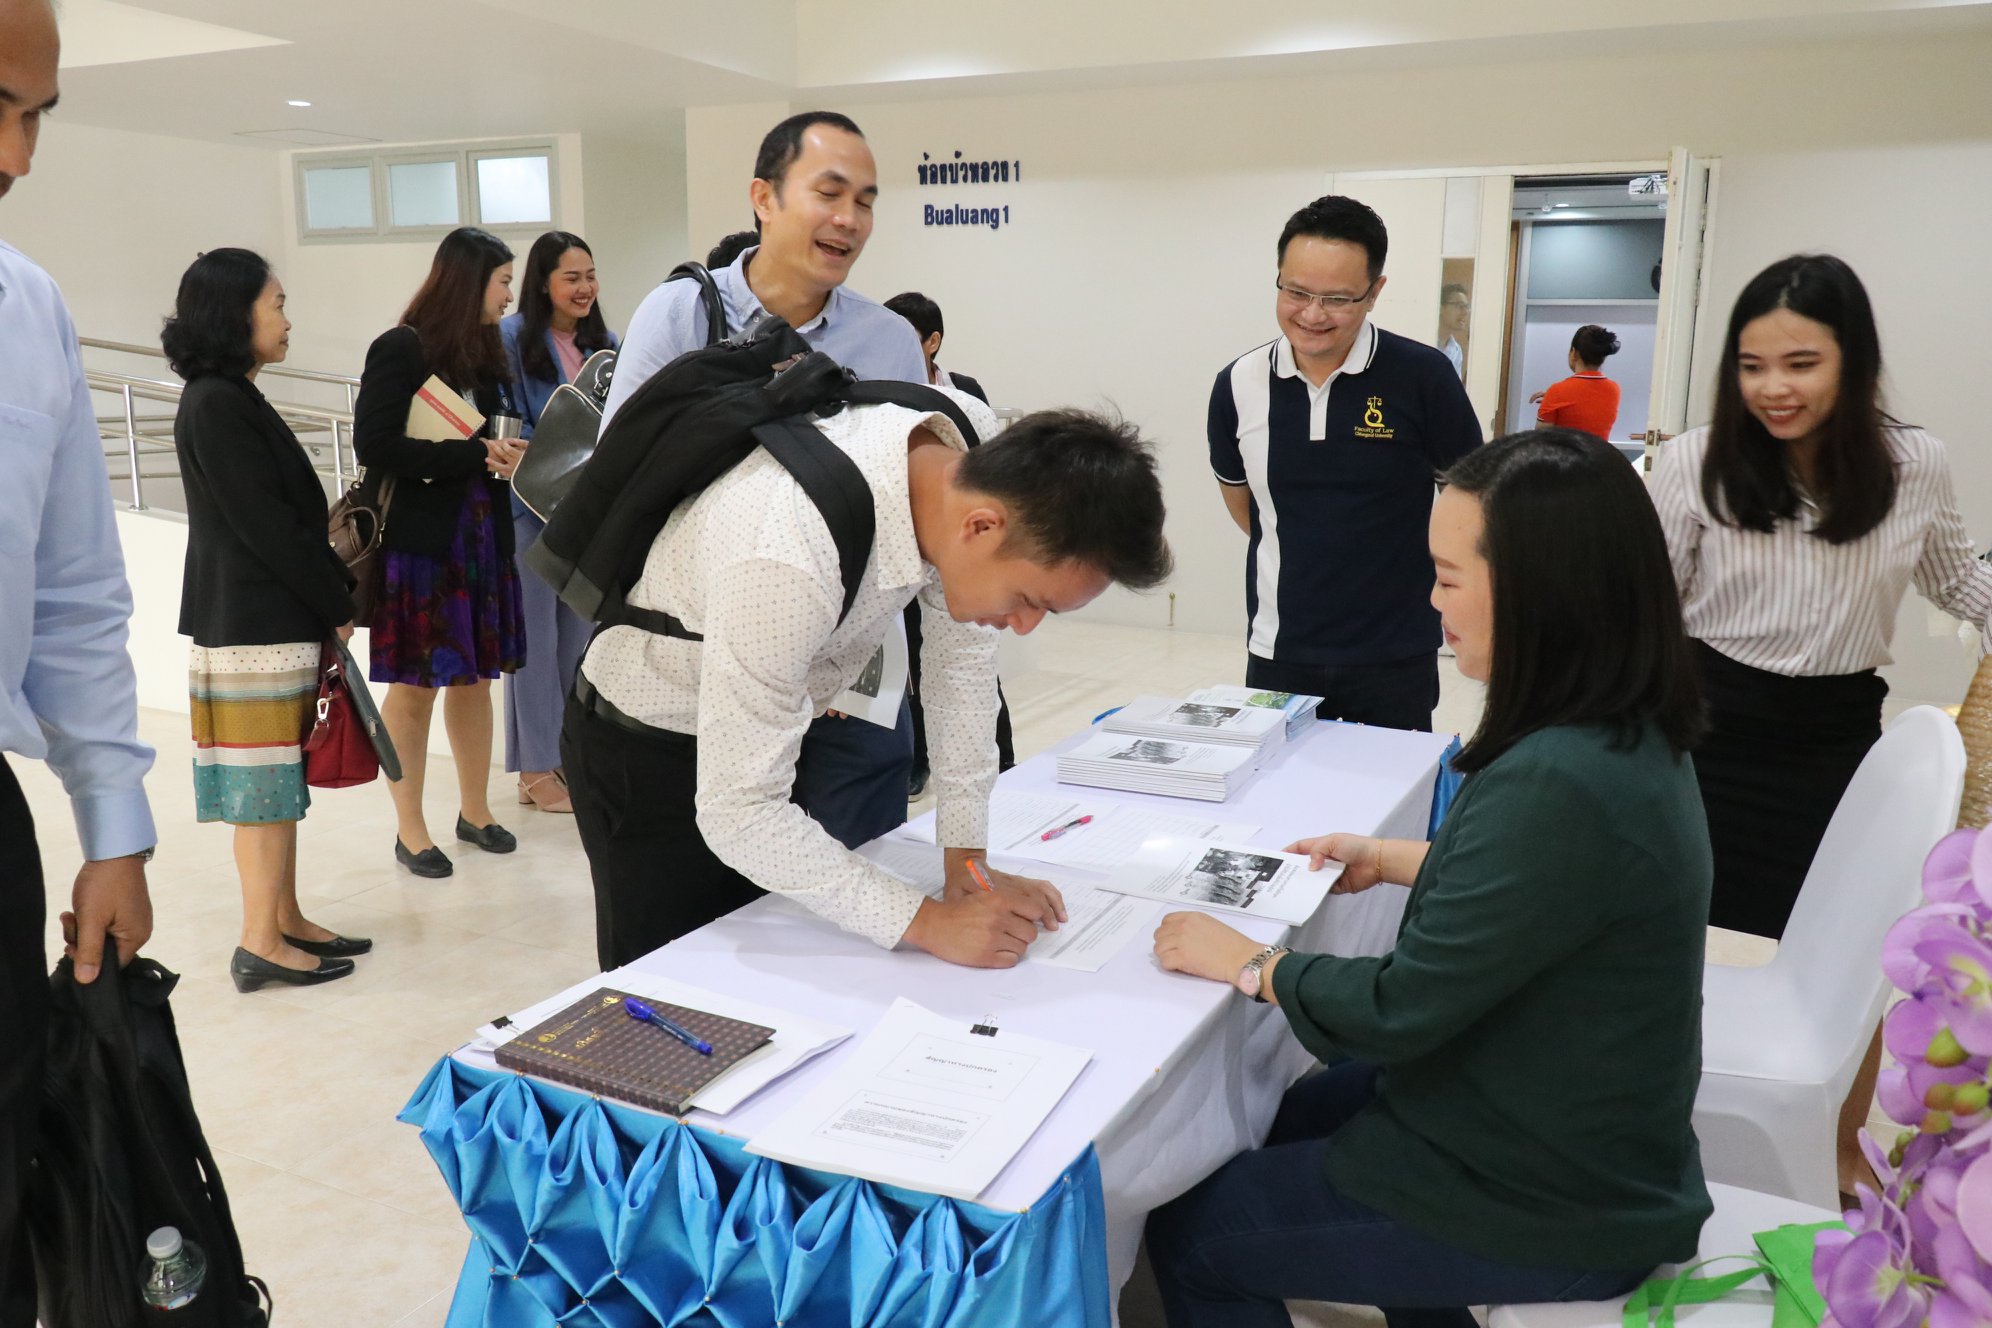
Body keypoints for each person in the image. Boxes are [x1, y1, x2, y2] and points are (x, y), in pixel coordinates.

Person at [1147, 428, 1712, 1328]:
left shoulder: (1559, 778)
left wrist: (1252, 964)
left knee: (1196, 1239)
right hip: (1558, 1116)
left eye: (1450, 578)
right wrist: (1396, 857)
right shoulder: (1620, 729)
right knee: (1293, 1119)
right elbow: (1553, 893)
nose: (1431, 600)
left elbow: (1399, 1011)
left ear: (1540, 593)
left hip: (1556, 1194)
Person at [564, 405, 1172, 970]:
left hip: (769, 723)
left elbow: (960, 671)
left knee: (779, 951)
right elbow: (739, 813)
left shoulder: (967, 453)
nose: (1024, 626)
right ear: (982, 527)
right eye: (1027, 600)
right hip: (645, 745)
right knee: (675, 988)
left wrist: (967, 861)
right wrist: (929, 922)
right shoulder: (785, 551)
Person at [1648, 253, 1992, 1195]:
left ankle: (1838, 1143)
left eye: (1800, 363)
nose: (1773, 388)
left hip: (1835, 744)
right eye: (1753, 366)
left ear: (1853, 360)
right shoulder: (1693, 464)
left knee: (1857, 961)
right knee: (1653, 934)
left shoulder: (1913, 464)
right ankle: (1645, 1117)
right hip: (1700, 735)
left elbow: (1960, 580)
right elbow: (1639, 609)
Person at [599, 111, 929, 854]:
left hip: (849, 689)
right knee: (708, 923)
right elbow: (629, 489)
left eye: (868, 200)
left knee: (855, 896)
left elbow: (903, 515)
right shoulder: (682, 313)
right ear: (764, 198)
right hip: (702, 678)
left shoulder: (888, 341)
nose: (851, 219)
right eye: (831, 192)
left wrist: (849, 663)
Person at [0, 0, 157, 1316]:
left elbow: (68, 595)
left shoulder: (25, 307)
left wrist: (112, 821)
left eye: (36, 116)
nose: (18, 155)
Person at [165, 248, 369, 990]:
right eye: (276, 304)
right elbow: (268, 526)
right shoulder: (216, 401)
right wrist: (336, 601)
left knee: (279, 779)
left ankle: (284, 917)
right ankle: (260, 940)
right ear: (235, 313)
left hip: (263, 619)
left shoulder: (230, 394)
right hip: (251, 622)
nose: (286, 318)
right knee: (262, 790)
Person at [1211, 195, 1482, 733]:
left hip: (1395, 653)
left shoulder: (1423, 377)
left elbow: (1471, 503)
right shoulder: (1237, 384)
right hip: (1279, 650)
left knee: (1390, 809)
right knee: (1281, 808)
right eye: (1296, 292)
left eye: (1337, 298)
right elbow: (1249, 509)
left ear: (1375, 292)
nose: (1312, 314)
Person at [354, 226, 527, 878]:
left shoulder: (486, 357)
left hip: (482, 537)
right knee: (415, 689)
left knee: (477, 678)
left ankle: (475, 811)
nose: (509, 294)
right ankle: (411, 828)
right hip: (425, 546)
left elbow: (489, 440)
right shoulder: (401, 348)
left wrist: (506, 457)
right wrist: (471, 453)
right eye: (503, 280)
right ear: (468, 280)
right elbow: (373, 445)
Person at [499, 230, 618, 814]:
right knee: (534, 646)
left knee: (578, 644)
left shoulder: (610, 346)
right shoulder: (512, 340)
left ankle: (568, 756)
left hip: (586, 516)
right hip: (528, 513)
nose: (585, 288)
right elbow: (507, 424)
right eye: (572, 277)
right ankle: (534, 768)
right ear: (542, 282)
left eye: (590, 275)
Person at [885, 289, 1014, 793]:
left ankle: (1002, 767)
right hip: (906, 550)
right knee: (914, 659)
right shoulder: (875, 399)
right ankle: (918, 760)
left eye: (907, 339)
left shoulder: (966, 396)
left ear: (932, 341)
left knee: (969, 664)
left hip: (955, 552)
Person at [884, 290, 988, 403]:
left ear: (933, 342)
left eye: (901, 338)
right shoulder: (871, 390)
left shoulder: (968, 392)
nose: (888, 348)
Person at [1530, 324, 1622, 442]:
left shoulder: (1557, 391)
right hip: (1600, 458)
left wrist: (1553, 399)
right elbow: (1587, 404)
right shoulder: (1614, 389)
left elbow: (1541, 438)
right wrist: (1555, 400)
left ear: (1574, 353)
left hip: (1566, 459)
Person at [1436, 281, 1469, 380]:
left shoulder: (1456, 350)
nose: (1465, 312)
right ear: (1441, 308)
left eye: (1466, 307)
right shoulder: (1424, 339)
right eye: (1459, 306)